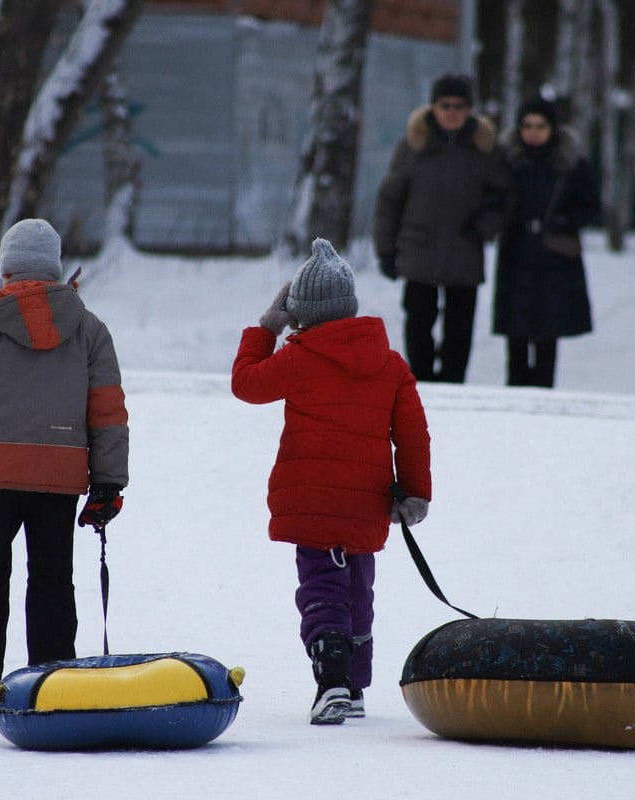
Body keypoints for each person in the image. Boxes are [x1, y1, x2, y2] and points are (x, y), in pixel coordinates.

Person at [0, 218, 129, 717]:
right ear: (56, 268)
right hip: (59, 480)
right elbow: (107, 411)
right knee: (53, 581)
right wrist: (108, 483)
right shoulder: (88, 328)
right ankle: (52, 689)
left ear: (7, 268)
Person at [231, 238, 431, 725]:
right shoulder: (390, 364)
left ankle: (332, 683)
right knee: (359, 592)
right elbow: (412, 433)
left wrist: (265, 327)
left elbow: (246, 384)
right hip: (368, 504)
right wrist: (416, 491)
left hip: (312, 504)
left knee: (322, 590)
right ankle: (355, 685)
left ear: (302, 314)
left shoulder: (299, 357)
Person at [373, 73, 506, 384]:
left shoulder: (485, 149)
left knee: (460, 329)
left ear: (470, 108)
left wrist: (482, 228)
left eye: (459, 105)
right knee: (418, 323)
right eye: (445, 105)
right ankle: (421, 386)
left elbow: (502, 197)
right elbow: (389, 201)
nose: (452, 112)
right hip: (419, 252)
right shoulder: (412, 146)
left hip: (464, 252)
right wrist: (386, 251)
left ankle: (453, 386)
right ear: (432, 107)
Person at [493, 95, 600, 388]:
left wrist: (566, 221)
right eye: (526, 125)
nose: (533, 131)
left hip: (555, 255)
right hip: (516, 252)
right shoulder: (507, 160)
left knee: (548, 330)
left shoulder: (569, 161)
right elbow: (491, 197)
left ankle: (543, 394)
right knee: (516, 330)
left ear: (552, 128)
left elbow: (591, 205)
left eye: (540, 125)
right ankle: (514, 393)